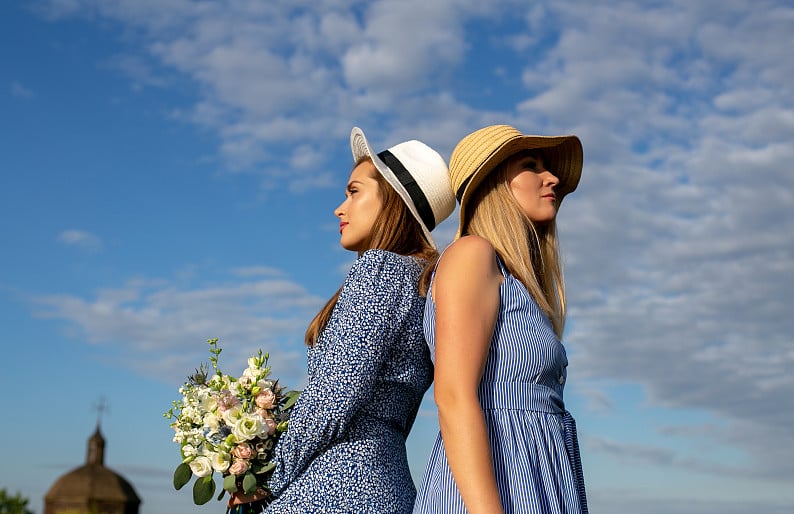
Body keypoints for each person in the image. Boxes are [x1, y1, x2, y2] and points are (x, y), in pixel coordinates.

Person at [229, 127, 455, 514]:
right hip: (389, 483)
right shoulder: (424, 284)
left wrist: (264, 477)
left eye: (354, 191)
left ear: (392, 203)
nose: (340, 208)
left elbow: (332, 397)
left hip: (337, 484)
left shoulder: (380, 271)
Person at [413, 125, 589, 514]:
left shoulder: (517, 285)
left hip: (535, 475)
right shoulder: (472, 255)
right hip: (497, 481)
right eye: (531, 165)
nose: (553, 179)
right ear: (493, 183)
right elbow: (454, 396)